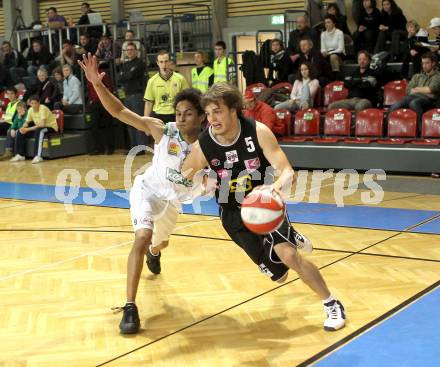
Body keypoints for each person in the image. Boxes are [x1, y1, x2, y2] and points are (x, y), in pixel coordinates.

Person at [181, 83, 346, 331]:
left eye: (218, 111)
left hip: (265, 202)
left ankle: (331, 303)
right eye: (209, 113)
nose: (212, 119)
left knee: (290, 256)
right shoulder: (203, 145)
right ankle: (286, 239)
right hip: (233, 213)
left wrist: (275, 187)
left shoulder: (257, 131)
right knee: (279, 276)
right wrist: (201, 181)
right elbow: (184, 176)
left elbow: (287, 171)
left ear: (233, 110)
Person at [78, 53, 206, 334]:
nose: (181, 118)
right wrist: (97, 85)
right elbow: (121, 112)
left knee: (158, 244)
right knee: (142, 236)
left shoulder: (210, 146)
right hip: (147, 191)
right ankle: (130, 307)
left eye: (188, 113)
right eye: (178, 112)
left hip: (172, 204)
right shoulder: (163, 130)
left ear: (201, 116)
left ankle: (154, 252)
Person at [389, 52, 440, 134]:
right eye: (423, 63)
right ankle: (387, 128)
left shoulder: (438, 76)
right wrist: (424, 91)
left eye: (427, 63)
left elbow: (431, 90)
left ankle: (420, 129)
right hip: (414, 98)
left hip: (431, 103)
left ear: (433, 63)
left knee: (414, 103)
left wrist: (416, 89)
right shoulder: (417, 76)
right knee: (397, 104)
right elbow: (408, 90)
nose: (424, 65)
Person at [10, 95, 58, 164]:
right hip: (39, 127)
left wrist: (28, 129)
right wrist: (23, 128)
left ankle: (37, 156)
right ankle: (20, 155)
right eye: (32, 103)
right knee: (19, 131)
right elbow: (26, 122)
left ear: (39, 103)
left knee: (40, 130)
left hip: (50, 127)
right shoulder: (30, 110)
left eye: (35, 103)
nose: (34, 105)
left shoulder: (43, 108)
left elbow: (42, 125)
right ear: (30, 104)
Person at [143, 50, 189, 123]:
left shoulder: (180, 79)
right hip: (158, 116)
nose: (164, 65)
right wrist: (145, 123)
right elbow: (148, 103)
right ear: (157, 63)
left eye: (166, 61)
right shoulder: (152, 81)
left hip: (176, 115)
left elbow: (187, 100)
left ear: (170, 62)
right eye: (161, 62)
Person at [118, 42, 148, 149]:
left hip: (137, 95)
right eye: (127, 50)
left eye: (131, 49)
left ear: (136, 51)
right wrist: (126, 75)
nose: (129, 52)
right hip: (127, 95)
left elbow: (130, 75)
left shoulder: (140, 63)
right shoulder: (124, 65)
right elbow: (120, 78)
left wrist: (125, 75)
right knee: (129, 122)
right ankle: (133, 147)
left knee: (138, 122)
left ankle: (140, 147)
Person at [86, 63, 114, 155]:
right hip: (94, 104)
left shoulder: (103, 74)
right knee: (93, 126)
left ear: (97, 65)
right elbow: (89, 90)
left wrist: (106, 98)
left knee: (107, 126)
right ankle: (97, 149)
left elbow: (109, 88)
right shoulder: (89, 76)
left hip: (104, 103)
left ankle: (109, 148)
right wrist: (90, 100)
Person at [320, 15, 345, 80]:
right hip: (327, 55)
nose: (326, 24)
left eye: (329, 22)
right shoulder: (323, 34)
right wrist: (324, 52)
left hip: (339, 55)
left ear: (334, 23)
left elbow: (340, 49)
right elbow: (322, 48)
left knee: (333, 56)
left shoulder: (339, 33)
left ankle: (336, 78)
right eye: (325, 23)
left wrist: (330, 52)